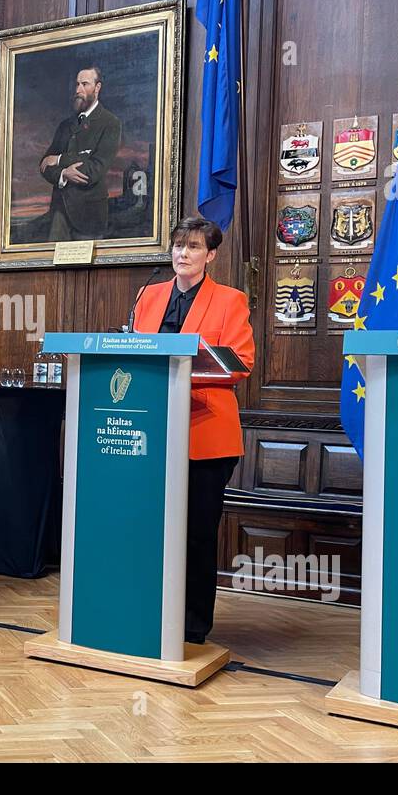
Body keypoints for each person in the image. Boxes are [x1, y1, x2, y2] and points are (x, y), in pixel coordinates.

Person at [133, 217, 254, 643]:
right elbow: (135, 348)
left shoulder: (230, 299)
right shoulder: (149, 295)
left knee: (197, 533)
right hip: (153, 431)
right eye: (178, 246)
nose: (182, 254)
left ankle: (192, 625)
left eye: (194, 247)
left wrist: (187, 368)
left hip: (205, 433)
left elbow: (241, 361)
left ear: (211, 255)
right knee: (152, 526)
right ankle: (150, 608)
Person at [37, 66, 122, 240]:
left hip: (90, 217)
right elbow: (44, 164)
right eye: (77, 84)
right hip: (59, 216)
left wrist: (60, 160)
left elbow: (94, 170)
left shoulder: (110, 123)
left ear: (97, 88)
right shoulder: (65, 126)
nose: (78, 90)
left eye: (84, 84)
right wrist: (63, 174)